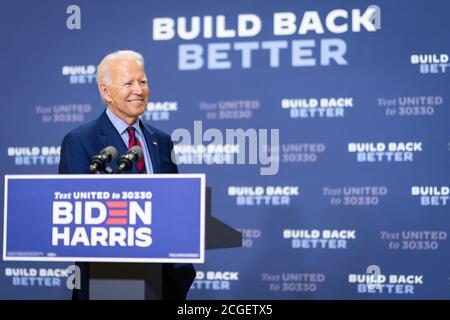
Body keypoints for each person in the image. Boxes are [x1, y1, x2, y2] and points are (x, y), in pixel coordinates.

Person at [59, 50, 196, 300]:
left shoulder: (161, 141)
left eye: (142, 82)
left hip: (163, 282)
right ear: (106, 92)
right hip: (110, 279)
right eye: (128, 83)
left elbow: (176, 205)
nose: (139, 90)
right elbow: (76, 216)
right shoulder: (80, 141)